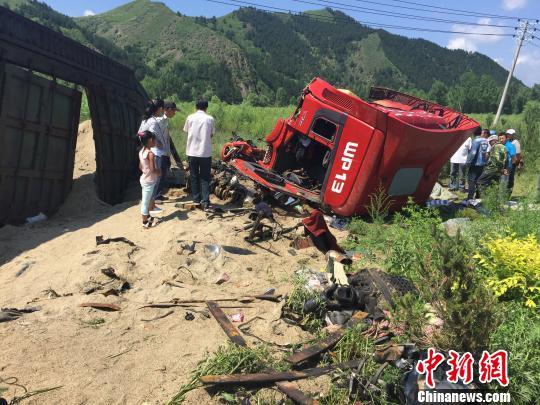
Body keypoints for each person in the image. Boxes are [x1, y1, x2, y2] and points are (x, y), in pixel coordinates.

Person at [183, 99, 215, 211]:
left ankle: (196, 199)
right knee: (205, 177)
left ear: (196, 107)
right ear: (206, 107)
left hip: (192, 152)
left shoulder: (190, 117)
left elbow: (186, 131)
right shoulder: (210, 119)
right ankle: (205, 201)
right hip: (205, 152)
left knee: (194, 176)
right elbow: (211, 135)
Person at [139, 99, 166, 215]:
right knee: (154, 179)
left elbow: (140, 133)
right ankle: (151, 206)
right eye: (162, 108)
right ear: (159, 108)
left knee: (149, 177)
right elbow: (158, 137)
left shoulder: (145, 120)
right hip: (155, 151)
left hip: (145, 149)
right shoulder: (153, 122)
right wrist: (160, 145)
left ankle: (152, 205)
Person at [154, 101, 183, 201]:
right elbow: (151, 131)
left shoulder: (165, 121)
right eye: (174, 110)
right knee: (159, 174)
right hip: (160, 152)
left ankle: (158, 194)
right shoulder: (159, 120)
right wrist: (156, 142)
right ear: (168, 110)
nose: (175, 113)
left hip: (165, 152)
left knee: (163, 174)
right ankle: (155, 196)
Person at [138, 130, 161, 228]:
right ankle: (145, 222)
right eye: (155, 140)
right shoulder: (151, 154)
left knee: (148, 197)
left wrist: (145, 170)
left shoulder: (141, 151)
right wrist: (158, 172)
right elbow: (152, 169)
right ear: (151, 140)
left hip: (144, 179)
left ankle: (148, 214)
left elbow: (140, 166)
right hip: (149, 181)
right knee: (145, 202)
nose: (155, 142)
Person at [465, 127, 489, 202]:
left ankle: (470, 198)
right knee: (479, 181)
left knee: (471, 181)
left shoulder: (476, 141)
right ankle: (478, 196)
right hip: (482, 163)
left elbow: (473, 153)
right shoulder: (485, 140)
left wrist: (468, 162)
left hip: (475, 164)